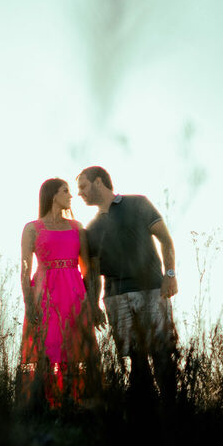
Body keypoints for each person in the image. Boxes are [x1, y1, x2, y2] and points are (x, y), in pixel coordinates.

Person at [77, 166, 179, 406]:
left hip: (152, 291)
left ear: (98, 182)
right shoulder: (91, 229)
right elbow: (92, 274)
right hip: (115, 298)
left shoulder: (138, 204)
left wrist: (170, 274)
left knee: (163, 353)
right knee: (136, 360)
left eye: (83, 186)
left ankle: (173, 410)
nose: (79, 193)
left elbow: (166, 240)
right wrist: (93, 305)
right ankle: (143, 415)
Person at [19, 178, 104, 408]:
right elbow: (25, 269)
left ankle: (79, 401)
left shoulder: (77, 227)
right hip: (44, 294)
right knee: (48, 346)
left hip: (75, 293)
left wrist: (94, 303)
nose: (70, 195)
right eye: (65, 191)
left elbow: (88, 268)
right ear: (52, 195)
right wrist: (29, 303)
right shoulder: (32, 228)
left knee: (76, 348)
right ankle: (49, 403)